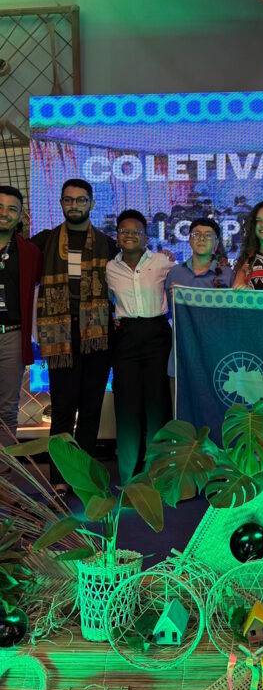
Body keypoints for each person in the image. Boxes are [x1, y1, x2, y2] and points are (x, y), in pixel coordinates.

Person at [31, 179, 117, 486]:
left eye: (81, 200)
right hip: (60, 333)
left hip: (97, 332)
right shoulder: (44, 241)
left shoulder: (108, 244)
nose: (75, 205)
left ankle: (85, 477)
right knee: (63, 409)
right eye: (69, 200)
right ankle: (59, 477)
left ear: (91, 203)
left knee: (91, 408)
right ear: (61, 203)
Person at [106, 209, 173, 484]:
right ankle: (128, 476)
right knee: (127, 406)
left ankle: (156, 473)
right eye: (124, 231)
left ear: (146, 237)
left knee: (158, 405)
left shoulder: (163, 262)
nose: (130, 235)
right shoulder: (109, 268)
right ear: (117, 236)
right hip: (126, 337)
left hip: (157, 334)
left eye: (136, 231)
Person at [165, 217, 232, 397]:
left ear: (216, 243)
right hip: (181, 360)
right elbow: (167, 312)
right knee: (180, 412)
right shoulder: (174, 273)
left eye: (208, 235)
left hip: (216, 360)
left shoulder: (228, 275)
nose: (201, 238)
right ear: (189, 239)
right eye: (196, 234)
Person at [0, 186, 42, 448]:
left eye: (11, 209)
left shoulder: (30, 253)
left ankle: (5, 469)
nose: (4, 213)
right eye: (0, 207)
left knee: (7, 409)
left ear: (20, 216)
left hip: (13, 336)